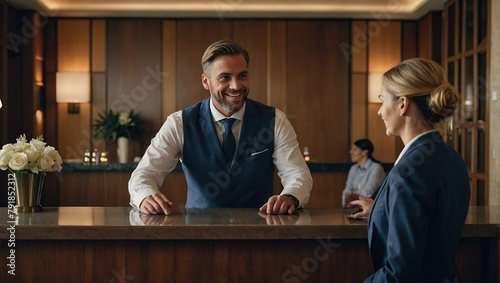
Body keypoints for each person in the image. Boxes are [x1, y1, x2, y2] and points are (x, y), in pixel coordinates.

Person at [128, 39, 312, 215]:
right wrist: (145, 197)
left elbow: (297, 174)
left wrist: (290, 197)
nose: (236, 85)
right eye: (225, 77)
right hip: (198, 234)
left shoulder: (275, 120)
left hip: (260, 232)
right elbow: (144, 174)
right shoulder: (179, 123)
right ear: (205, 81)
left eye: (242, 76)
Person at [348, 58, 470, 282]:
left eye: (382, 100)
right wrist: (381, 208)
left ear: (403, 104)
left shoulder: (408, 172)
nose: (380, 112)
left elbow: (400, 273)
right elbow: (429, 218)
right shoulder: (453, 159)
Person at [341, 138, 386, 207]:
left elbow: (367, 193)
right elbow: (346, 192)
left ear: (364, 152)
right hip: (352, 209)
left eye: (355, 149)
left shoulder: (376, 168)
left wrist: (353, 193)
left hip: (370, 210)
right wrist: (348, 201)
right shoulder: (353, 169)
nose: (351, 152)